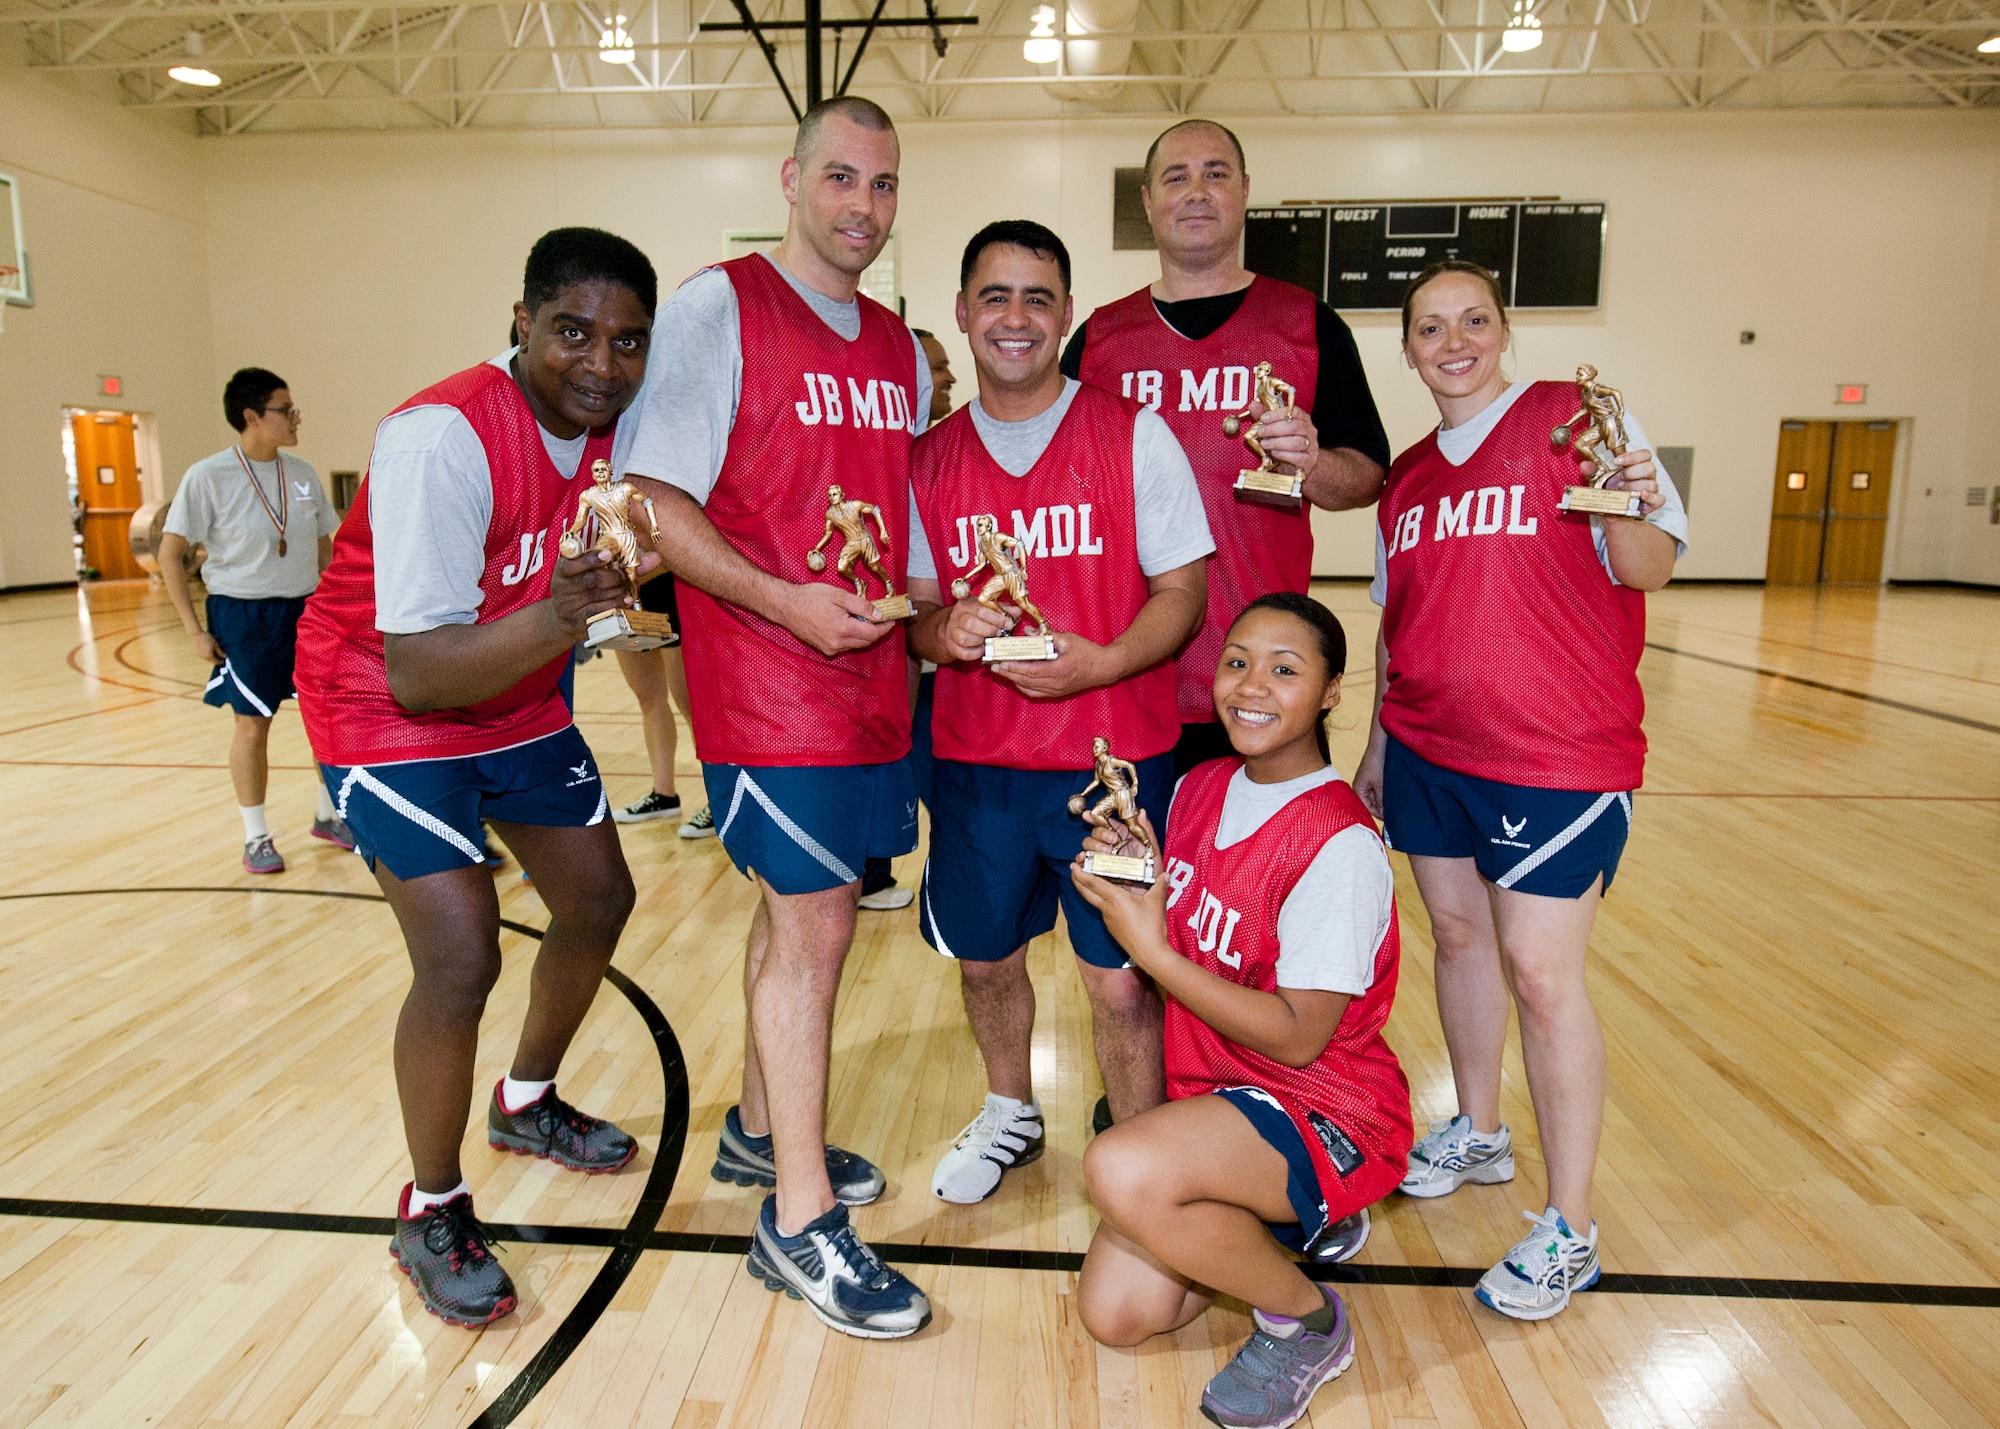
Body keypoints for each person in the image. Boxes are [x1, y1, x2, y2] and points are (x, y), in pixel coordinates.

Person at [293, 228, 659, 1327]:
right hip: (383, 700)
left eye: (627, 341)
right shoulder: (437, 440)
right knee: (459, 957)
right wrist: (563, 613)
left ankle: (527, 1100)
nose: (601, 362)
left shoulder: (617, 431)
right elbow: (418, 670)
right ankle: (430, 1203)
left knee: (599, 899)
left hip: (513, 687)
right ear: (520, 323)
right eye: (573, 333)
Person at [619, 95, 936, 1340]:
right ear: (792, 179)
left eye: (884, 185)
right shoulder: (719, 307)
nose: (862, 205)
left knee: (800, 923)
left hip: (871, 685)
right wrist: (780, 604)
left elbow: (903, 528)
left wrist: (955, 613)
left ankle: (759, 1137)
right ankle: (798, 1221)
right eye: (842, 178)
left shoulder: (901, 349)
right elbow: (650, 501)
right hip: (767, 684)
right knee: (813, 929)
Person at [1354, 259, 1687, 1322]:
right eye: (1429, 328)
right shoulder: (1405, 479)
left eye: (1472, 321)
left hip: (1555, 756)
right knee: (1457, 942)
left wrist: (1633, 499)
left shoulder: (1567, 421)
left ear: (1502, 332)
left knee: (1541, 975)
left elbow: (1645, 568)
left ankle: (1570, 1226)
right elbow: (1394, 619)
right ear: (1405, 350)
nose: (1452, 341)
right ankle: (1479, 1131)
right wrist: (1373, 741)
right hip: (1424, 748)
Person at [906, 220, 1212, 1205]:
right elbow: (909, 616)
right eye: (994, 296)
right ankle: (1010, 1111)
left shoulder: (1133, 434)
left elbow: (1182, 590)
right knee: (986, 962)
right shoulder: (925, 460)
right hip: (973, 766)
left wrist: (1103, 663)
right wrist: (939, 630)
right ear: (960, 314)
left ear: (1065, 315)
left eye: (1037, 298)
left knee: (1120, 980)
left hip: (1111, 763)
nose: (1015, 317)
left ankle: (1143, 1157)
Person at [1072, 593, 1409, 1429]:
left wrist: (1150, 950)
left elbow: (1299, 1037)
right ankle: (1268, 1228)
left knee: (1120, 1167)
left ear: (1332, 691)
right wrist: (1139, 872)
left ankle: (1308, 1319)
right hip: (1221, 1093)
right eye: (1237, 661)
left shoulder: (1340, 845)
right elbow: (1199, 907)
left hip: (1323, 1104)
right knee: (1115, 1315)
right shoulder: (1201, 784)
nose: (1251, 685)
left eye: (1285, 670)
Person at [1063, 118, 1392, 781]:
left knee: (1265, 882)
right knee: (1139, 877)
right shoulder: (1098, 338)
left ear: (1244, 192)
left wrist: (1313, 462)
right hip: (1132, 674)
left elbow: (1365, 479)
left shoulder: (1308, 323)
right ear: (1148, 201)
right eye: (1176, 177)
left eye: (1216, 174)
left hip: (1266, 686)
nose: (1197, 191)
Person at [159, 369, 346, 873]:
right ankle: (256, 835)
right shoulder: (208, 475)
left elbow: (328, 541)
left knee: (322, 719)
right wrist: (194, 632)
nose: (296, 417)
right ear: (251, 417)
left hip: (304, 610)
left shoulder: (303, 472)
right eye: (286, 410)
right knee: (252, 727)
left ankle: (329, 816)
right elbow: (170, 553)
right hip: (243, 615)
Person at [610, 571, 698, 828]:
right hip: (624, 602)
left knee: (690, 702)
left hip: (666, 590)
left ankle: (717, 803)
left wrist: (633, 573)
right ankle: (664, 795)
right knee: (649, 699)